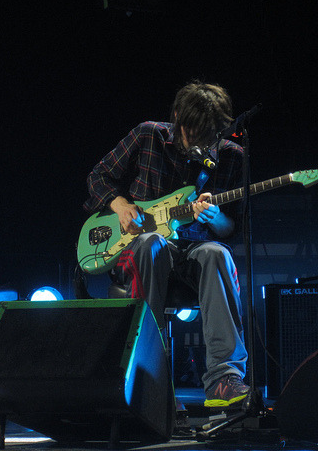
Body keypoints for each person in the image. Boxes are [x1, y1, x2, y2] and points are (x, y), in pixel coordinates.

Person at [83, 81, 249, 408]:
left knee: (218, 253)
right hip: (142, 248)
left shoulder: (232, 157)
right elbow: (97, 178)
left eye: (208, 136)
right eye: (192, 134)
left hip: (194, 251)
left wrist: (213, 217)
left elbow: (231, 228)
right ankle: (149, 376)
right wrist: (120, 206)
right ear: (177, 118)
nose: (198, 144)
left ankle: (224, 379)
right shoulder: (148, 136)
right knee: (150, 243)